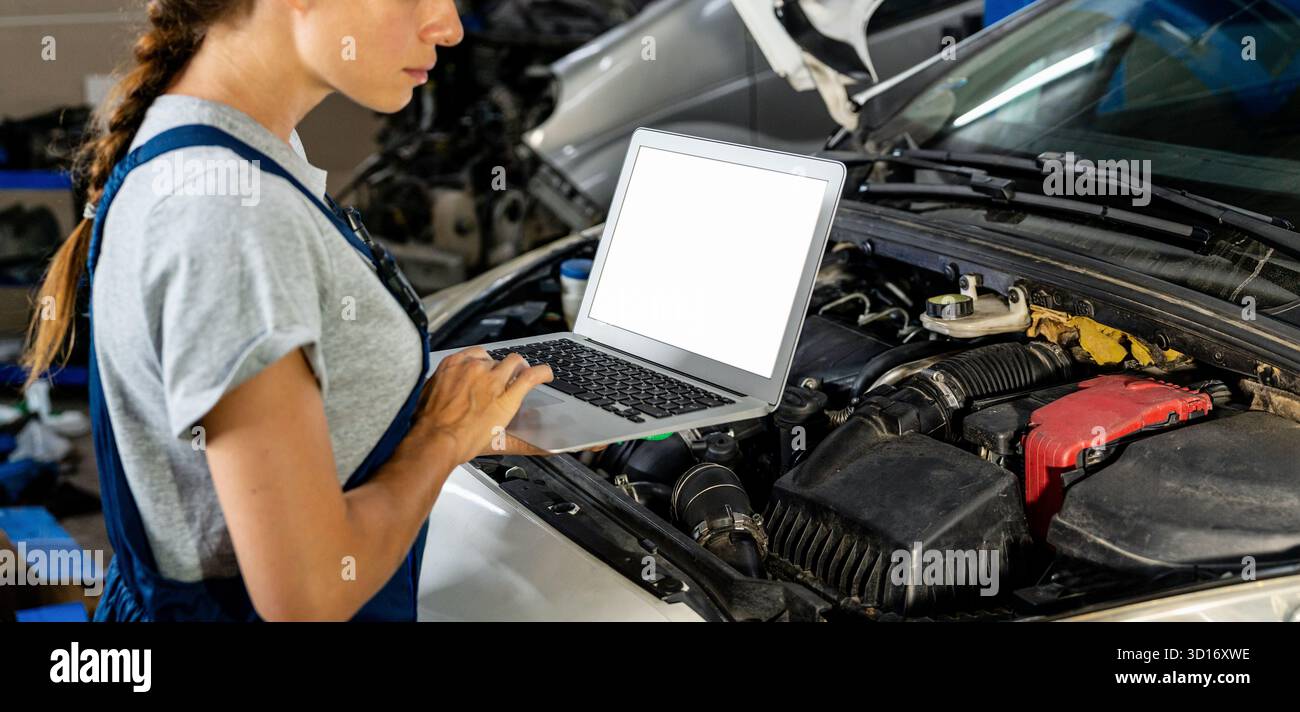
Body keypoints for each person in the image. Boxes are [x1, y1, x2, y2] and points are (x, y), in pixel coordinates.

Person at [23, 0, 559, 621]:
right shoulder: (229, 213)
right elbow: (308, 595)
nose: (449, 27)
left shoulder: (240, 146)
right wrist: (441, 438)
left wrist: (463, 419)